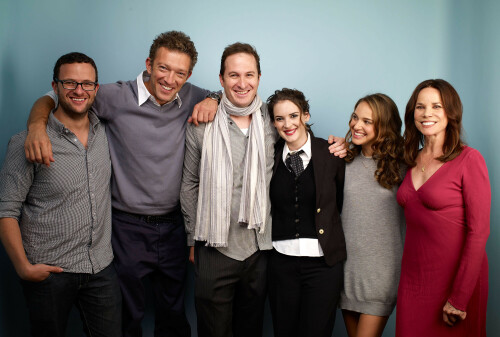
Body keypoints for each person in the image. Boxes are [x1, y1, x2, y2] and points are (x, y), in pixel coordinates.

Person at [23, 31, 219, 337]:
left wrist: (214, 99)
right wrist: (36, 125)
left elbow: (228, 97)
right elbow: (55, 97)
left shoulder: (193, 96)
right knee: (127, 316)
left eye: (180, 73)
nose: (170, 79)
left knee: (173, 315)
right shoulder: (113, 96)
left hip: (175, 227)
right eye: (163, 68)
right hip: (126, 227)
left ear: (188, 75)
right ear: (149, 64)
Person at [0, 52, 121, 337]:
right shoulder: (27, 143)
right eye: (70, 83)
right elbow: (6, 211)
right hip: (49, 273)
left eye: (87, 84)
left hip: (100, 267)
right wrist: (23, 268)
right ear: (54, 87)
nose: (79, 91)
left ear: (96, 89)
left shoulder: (106, 132)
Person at [180, 42, 277, 337]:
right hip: (213, 246)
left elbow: (305, 149)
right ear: (221, 79)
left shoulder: (274, 121)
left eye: (249, 74)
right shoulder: (201, 123)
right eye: (233, 75)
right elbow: (189, 184)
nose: (242, 82)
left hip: (260, 248)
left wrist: (342, 146)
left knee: (251, 330)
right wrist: (191, 239)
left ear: (259, 77)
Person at [396, 79, 490, 337]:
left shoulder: (469, 159)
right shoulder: (409, 160)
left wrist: (459, 298)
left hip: (457, 281)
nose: (427, 113)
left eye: (436, 106)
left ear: (451, 112)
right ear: (412, 113)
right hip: (413, 281)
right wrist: (340, 145)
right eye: (420, 107)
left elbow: (479, 232)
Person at [266, 88, 346, 337]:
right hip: (281, 263)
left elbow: (341, 201)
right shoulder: (269, 155)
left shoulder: (331, 153)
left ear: (306, 116)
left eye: (293, 115)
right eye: (280, 118)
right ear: (273, 123)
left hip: (322, 265)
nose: (287, 124)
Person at [339, 93, 405, 337]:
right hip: (347, 270)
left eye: (367, 121)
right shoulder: (343, 160)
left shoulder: (404, 165)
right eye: (355, 117)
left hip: (381, 273)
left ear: (385, 126)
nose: (357, 125)